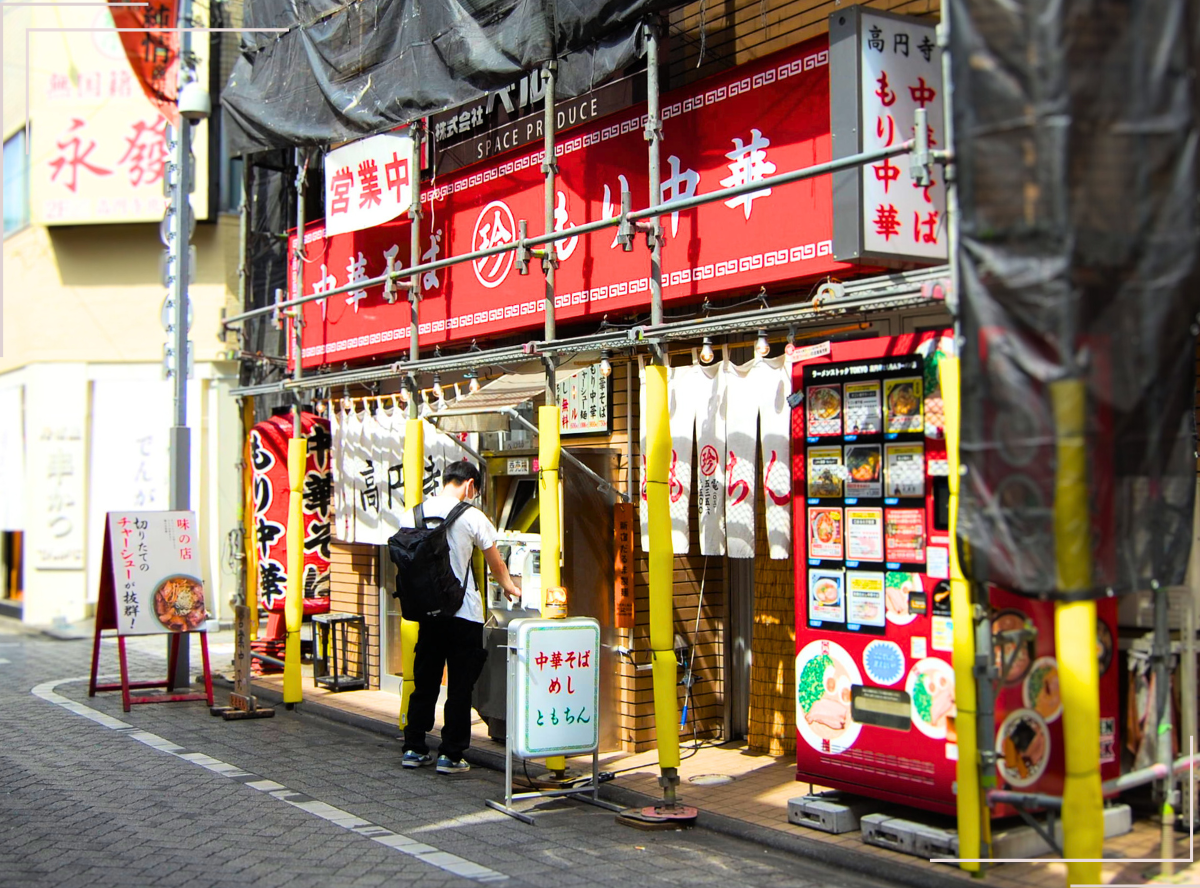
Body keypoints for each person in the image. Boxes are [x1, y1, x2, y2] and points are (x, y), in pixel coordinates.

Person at [399, 459, 519, 774]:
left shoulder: (414, 513)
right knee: (460, 686)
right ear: (469, 485)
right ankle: (450, 755)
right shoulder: (472, 516)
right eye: (474, 491)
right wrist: (510, 588)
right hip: (464, 614)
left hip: (429, 612)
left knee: (425, 680)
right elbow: (496, 563)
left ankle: (413, 747)